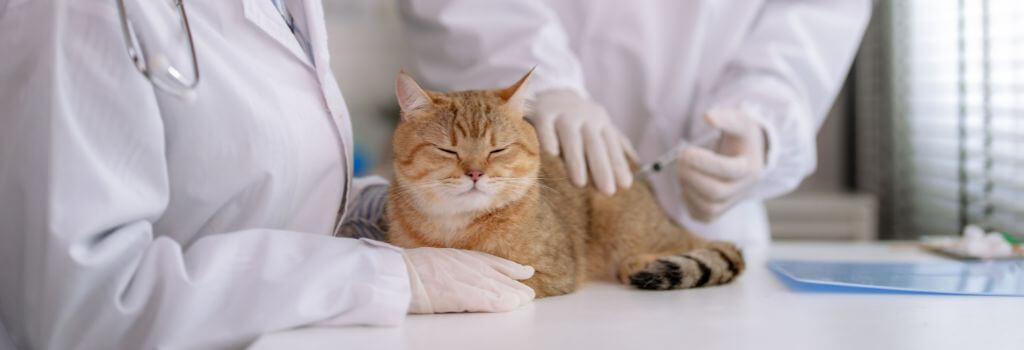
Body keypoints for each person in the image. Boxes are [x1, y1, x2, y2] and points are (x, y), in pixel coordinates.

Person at [0, 1, 535, 349]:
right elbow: (78, 305)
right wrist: (378, 278)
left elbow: (264, 185)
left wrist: (380, 209)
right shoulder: (72, 12)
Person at [398, 0, 872, 247]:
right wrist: (543, 79)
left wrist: (760, 121)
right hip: (526, 195)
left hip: (705, 220)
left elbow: (811, 21)